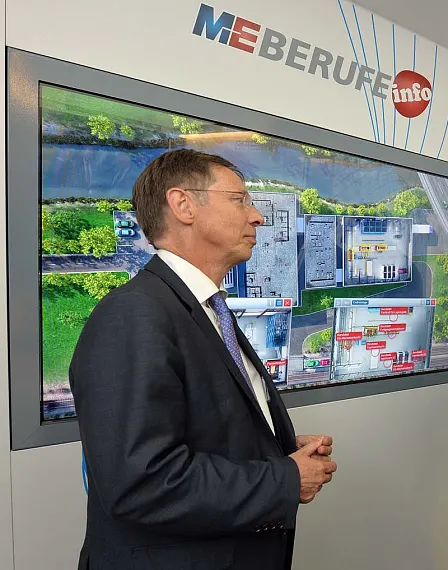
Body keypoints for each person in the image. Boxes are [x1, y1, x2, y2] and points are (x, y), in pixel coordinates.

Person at [70, 149, 337, 570]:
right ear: (183, 205)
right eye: (240, 200)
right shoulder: (134, 315)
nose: (257, 217)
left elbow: (205, 427)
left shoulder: (205, 309)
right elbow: (141, 481)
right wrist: (284, 478)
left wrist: (280, 449)